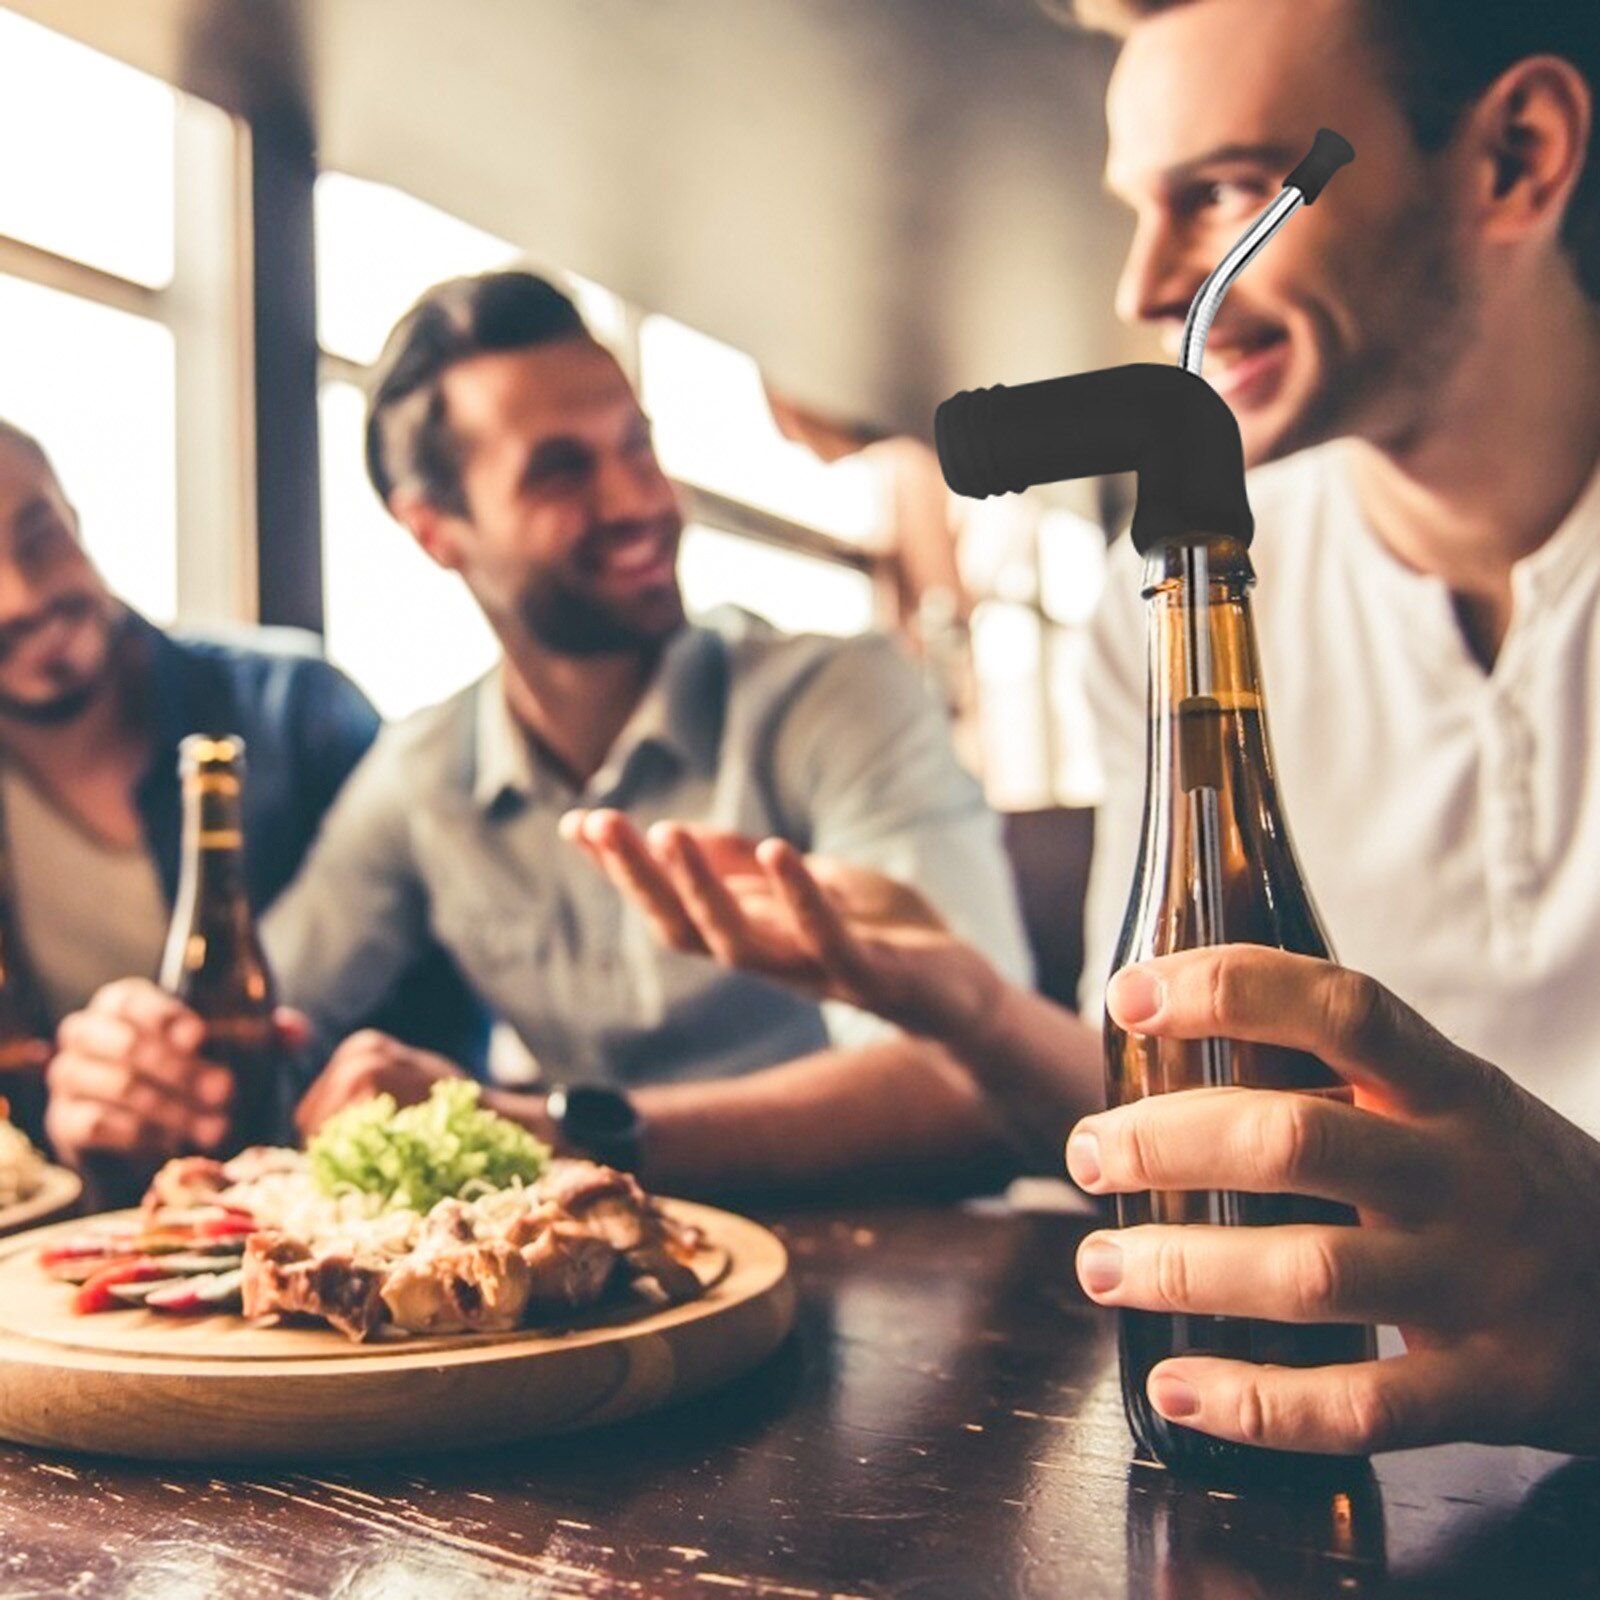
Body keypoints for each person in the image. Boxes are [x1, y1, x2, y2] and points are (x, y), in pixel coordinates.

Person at [564, 0, 1600, 1454]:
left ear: (1518, 156)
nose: (1143, 284)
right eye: (1134, 208)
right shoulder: (1169, 610)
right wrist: (961, 1002)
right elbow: (1199, 1101)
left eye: (1227, 192)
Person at [51, 271, 1032, 1196]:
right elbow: (271, 1017)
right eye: (562, 471)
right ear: (435, 530)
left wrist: (563, 1131)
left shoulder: (843, 694)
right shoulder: (420, 778)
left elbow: (968, 1091)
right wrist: (140, 1068)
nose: (640, 501)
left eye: (635, 447)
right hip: (607, 1307)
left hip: (910, 1284)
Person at [0, 419, 481, 1162]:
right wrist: (75, 1113)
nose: (21, 595)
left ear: (75, 514)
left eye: (37, 537)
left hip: (341, 1210)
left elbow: (447, 1004)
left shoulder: (301, 708)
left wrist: (276, 1091)